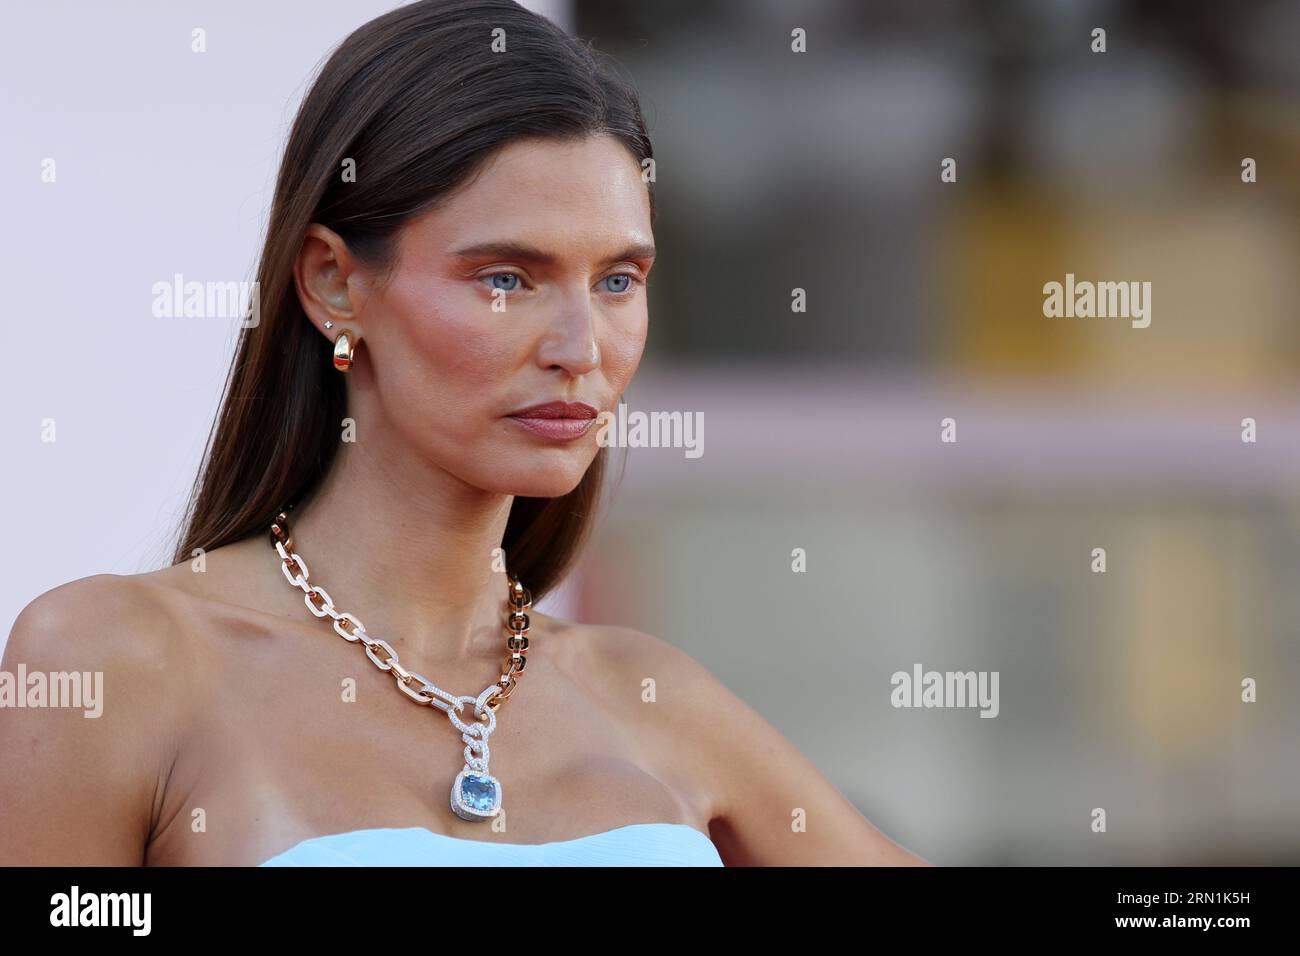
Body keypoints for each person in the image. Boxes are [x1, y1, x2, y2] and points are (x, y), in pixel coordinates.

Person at [0, 0, 928, 867]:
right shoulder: (114, 660)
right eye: (506, 278)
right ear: (332, 283)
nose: (580, 349)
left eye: (617, 280)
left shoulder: (654, 697)